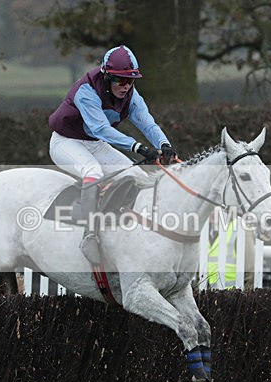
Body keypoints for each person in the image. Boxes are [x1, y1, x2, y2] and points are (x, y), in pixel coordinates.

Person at [48, 45, 177, 264]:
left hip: (94, 144)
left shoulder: (132, 95)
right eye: (120, 80)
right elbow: (101, 129)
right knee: (93, 171)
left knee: (139, 177)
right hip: (66, 141)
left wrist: (164, 144)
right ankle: (89, 237)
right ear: (107, 76)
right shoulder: (86, 91)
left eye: (130, 80)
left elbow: (147, 123)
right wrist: (137, 147)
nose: (126, 86)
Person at [206, 213, 257, 290]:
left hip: (232, 295)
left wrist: (244, 299)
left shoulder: (240, 228)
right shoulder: (204, 229)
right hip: (208, 296)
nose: (213, 211)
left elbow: (250, 271)